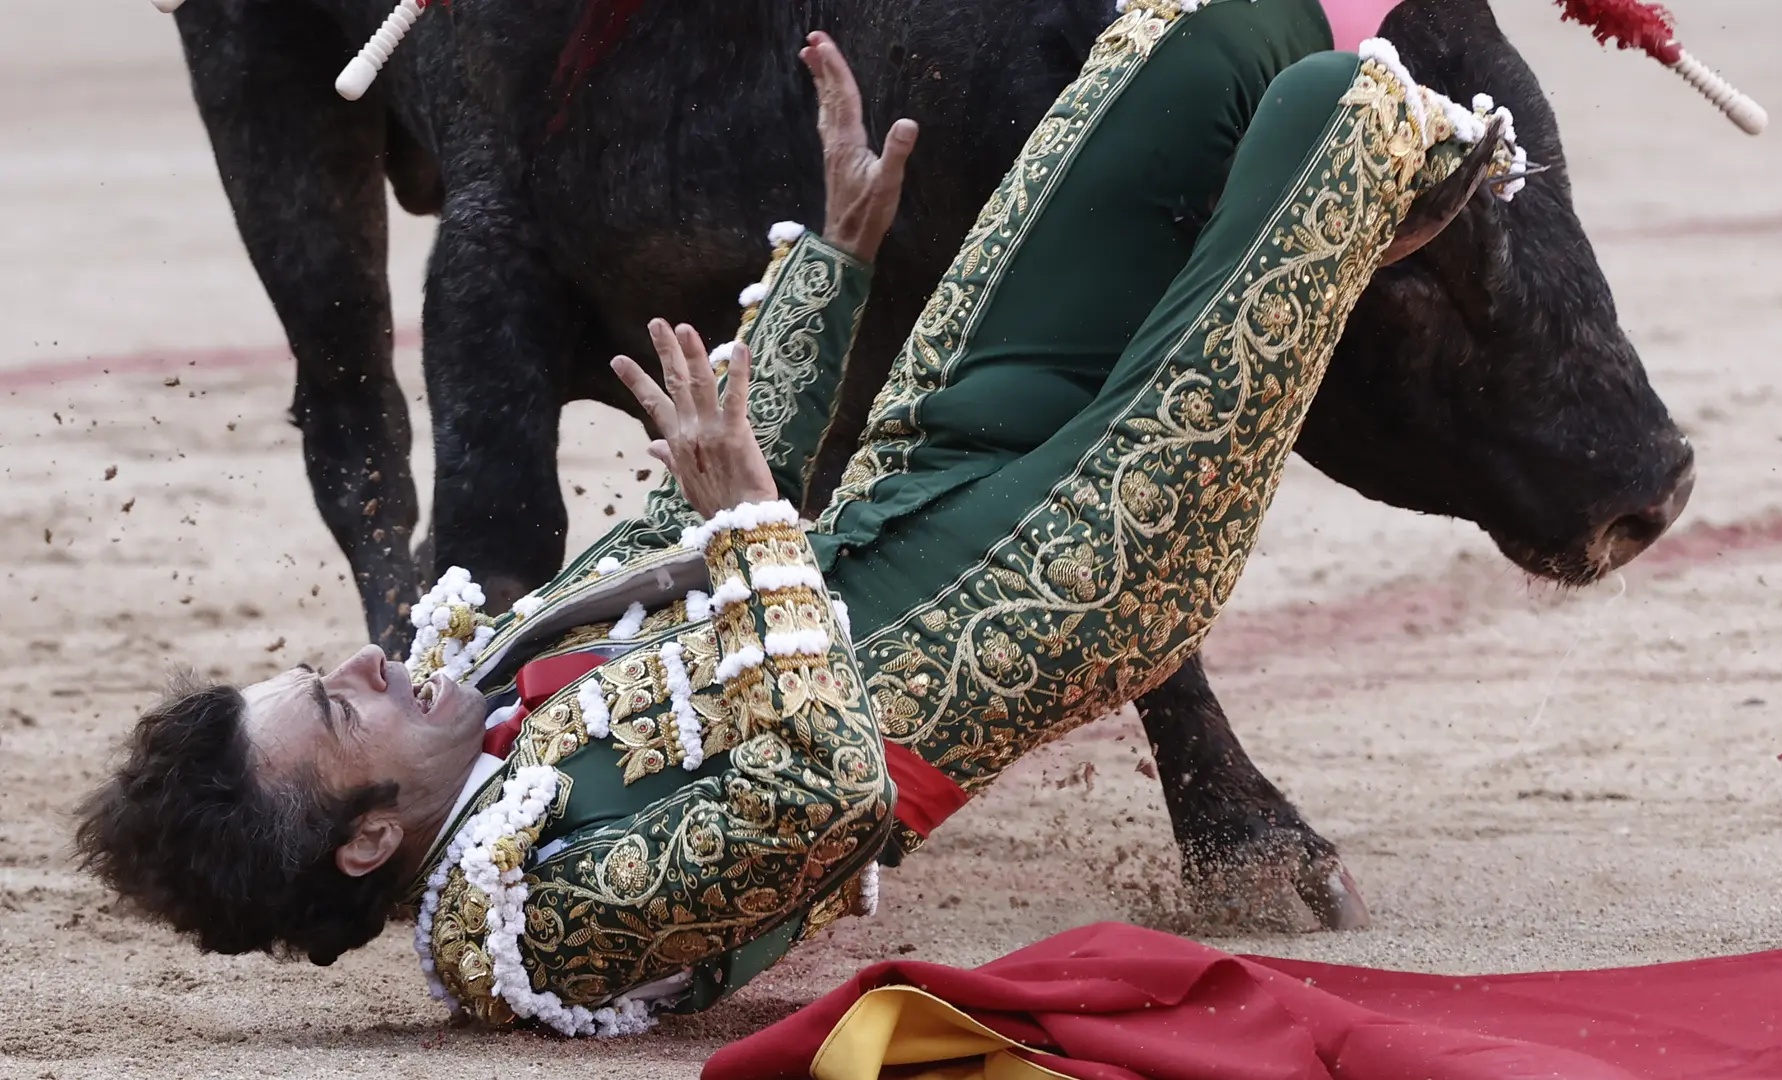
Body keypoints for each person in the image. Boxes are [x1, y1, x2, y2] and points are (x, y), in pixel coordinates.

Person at [76, 0, 1521, 1036]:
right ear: (364, 844)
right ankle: (1327, 263)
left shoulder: (500, 684)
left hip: (930, 467)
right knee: (1333, 110)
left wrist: (837, 257)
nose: (369, 662)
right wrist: (762, 527)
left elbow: (678, 499)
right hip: (1077, 566)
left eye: (322, 672)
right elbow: (828, 802)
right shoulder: (538, 923)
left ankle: (1296, 261)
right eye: (336, 712)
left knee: (1202, 38)